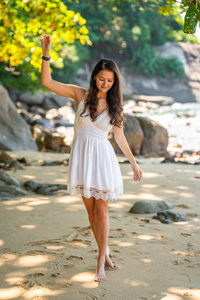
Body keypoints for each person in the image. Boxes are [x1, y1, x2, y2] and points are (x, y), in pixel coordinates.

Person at [40, 34, 143, 282]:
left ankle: (100, 263)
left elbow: (119, 138)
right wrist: (46, 52)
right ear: (94, 76)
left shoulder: (115, 105)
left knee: (102, 212)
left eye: (110, 80)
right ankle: (104, 251)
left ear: (115, 81)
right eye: (101, 79)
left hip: (102, 160)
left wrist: (133, 162)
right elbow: (46, 81)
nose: (105, 83)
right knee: (90, 213)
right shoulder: (81, 95)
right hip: (82, 158)